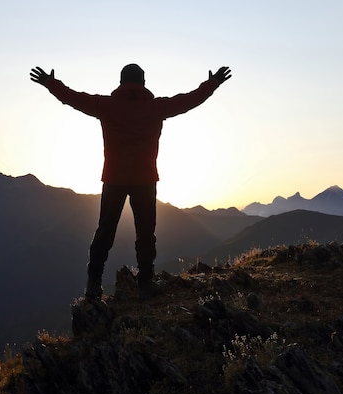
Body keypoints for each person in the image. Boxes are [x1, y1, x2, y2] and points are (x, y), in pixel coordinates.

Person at [30, 63, 231, 301]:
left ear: (121, 82)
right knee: (146, 233)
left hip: (114, 179)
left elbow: (73, 98)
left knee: (105, 231)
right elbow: (189, 100)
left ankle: (93, 285)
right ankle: (146, 284)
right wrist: (213, 83)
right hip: (145, 180)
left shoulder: (107, 106)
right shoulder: (156, 108)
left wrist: (50, 83)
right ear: (144, 83)